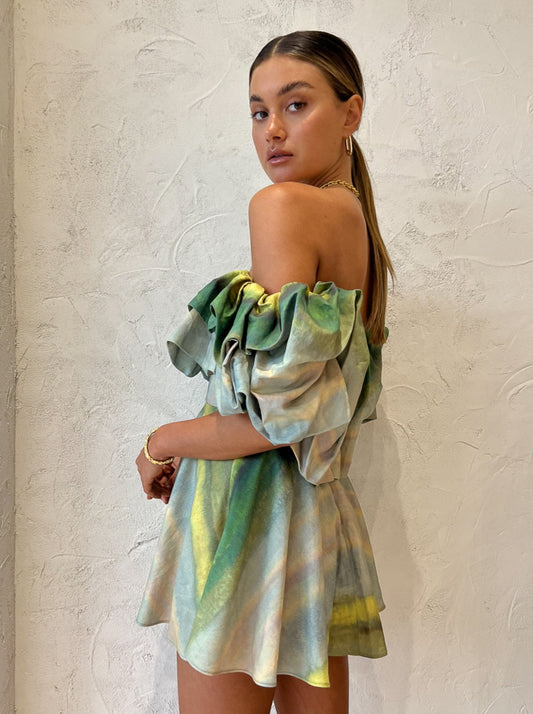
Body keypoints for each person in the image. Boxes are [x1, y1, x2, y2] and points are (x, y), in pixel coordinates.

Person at [135, 30, 394, 714]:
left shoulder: (282, 207)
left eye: (295, 104)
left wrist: (161, 442)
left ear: (351, 112)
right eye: (258, 111)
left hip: (247, 521)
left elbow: (277, 420)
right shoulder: (354, 222)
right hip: (314, 519)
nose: (272, 129)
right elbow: (306, 406)